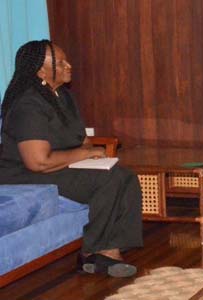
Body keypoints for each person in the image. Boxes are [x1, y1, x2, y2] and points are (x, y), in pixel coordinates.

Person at [0, 40, 143, 277]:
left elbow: (80, 139)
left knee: (123, 175)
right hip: (25, 174)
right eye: (61, 62)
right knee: (108, 181)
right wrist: (85, 154)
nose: (69, 65)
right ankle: (99, 252)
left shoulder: (62, 96)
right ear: (40, 70)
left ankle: (106, 248)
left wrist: (91, 155)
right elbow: (38, 162)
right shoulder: (27, 103)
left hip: (59, 165)